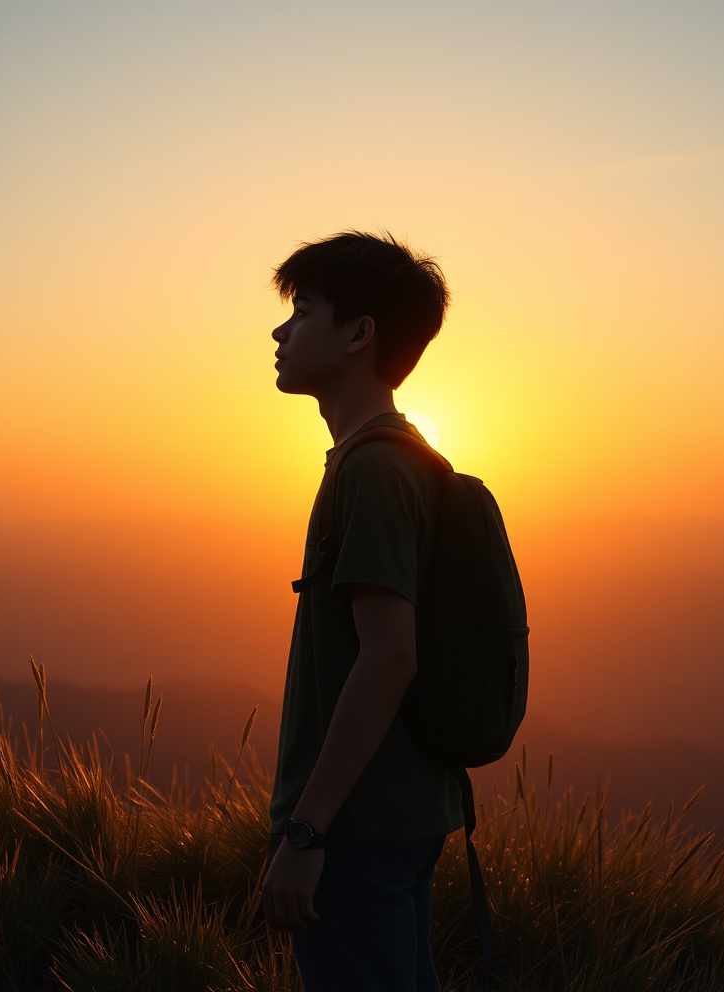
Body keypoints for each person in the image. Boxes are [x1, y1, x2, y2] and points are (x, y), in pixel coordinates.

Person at [262, 231, 462, 992]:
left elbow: (389, 657)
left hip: (355, 829)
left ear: (358, 334)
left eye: (302, 311)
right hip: (396, 814)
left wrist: (306, 833)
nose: (280, 332)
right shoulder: (392, 457)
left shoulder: (373, 471)